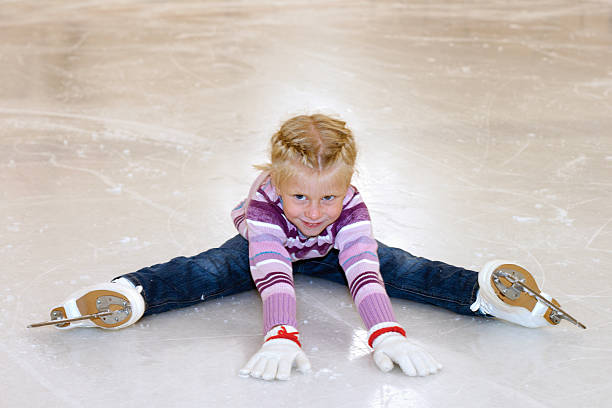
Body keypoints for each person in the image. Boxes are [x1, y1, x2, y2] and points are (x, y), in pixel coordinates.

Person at [32, 114, 578, 381]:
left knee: (406, 266)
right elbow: (273, 276)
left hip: (333, 253)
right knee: (207, 270)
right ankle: (128, 295)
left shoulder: (350, 212)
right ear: (276, 179)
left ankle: (486, 293)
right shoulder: (270, 211)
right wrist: (282, 334)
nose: (314, 212)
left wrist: (385, 330)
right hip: (265, 249)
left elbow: (367, 273)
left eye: (329, 197)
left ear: (347, 186)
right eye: (300, 195)